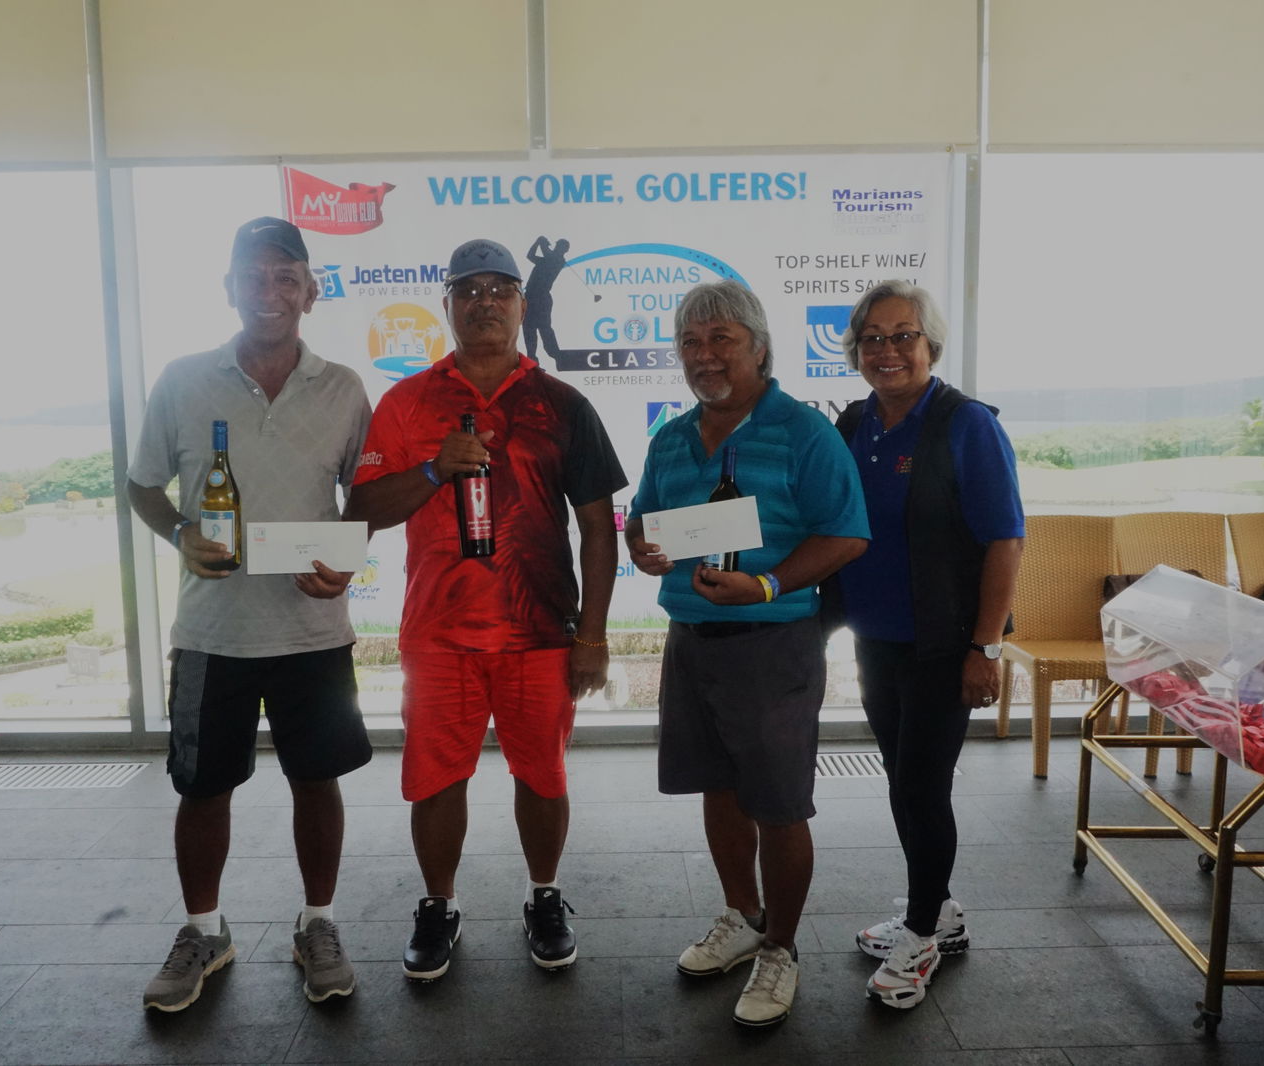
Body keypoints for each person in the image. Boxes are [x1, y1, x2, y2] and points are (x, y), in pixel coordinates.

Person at [347, 238, 626, 982]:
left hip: (539, 633)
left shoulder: (562, 403)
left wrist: (591, 635)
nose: (484, 303)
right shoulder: (408, 402)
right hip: (438, 635)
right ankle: (439, 905)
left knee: (543, 776)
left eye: (500, 290)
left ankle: (544, 896)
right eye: (468, 291)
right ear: (447, 306)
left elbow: (600, 524)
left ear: (521, 305)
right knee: (436, 780)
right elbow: (365, 508)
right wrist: (436, 467)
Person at [127, 216, 374, 1011]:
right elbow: (142, 486)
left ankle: (319, 923)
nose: (269, 292)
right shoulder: (181, 379)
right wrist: (178, 533)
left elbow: (360, 498)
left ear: (309, 289)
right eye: (252, 277)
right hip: (211, 634)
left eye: (284, 277)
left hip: (313, 632)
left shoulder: (342, 388)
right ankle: (205, 930)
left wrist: (344, 555)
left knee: (318, 780)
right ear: (228, 288)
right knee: (202, 790)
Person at [625, 279, 868, 1027]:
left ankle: (781, 949)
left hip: (773, 642)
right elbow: (639, 526)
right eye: (692, 343)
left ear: (759, 348)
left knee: (779, 805)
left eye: (722, 339)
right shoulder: (670, 436)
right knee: (718, 789)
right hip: (692, 640)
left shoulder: (802, 431)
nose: (705, 356)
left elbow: (847, 533)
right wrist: (645, 551)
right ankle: (742, 915)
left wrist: (764, 585)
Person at [832, 280, 1024, 1010]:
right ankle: (940, 912)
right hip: (877, 637)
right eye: (872, 339)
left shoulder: (967, 424)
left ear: (930, 345)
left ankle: (920, 934)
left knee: (921, 786)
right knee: (902, 778)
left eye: (903, 335)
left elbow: (1006, 541)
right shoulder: (855, 423)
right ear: (856, 351)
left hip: (948, 644)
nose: (887, 351)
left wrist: (987, 648)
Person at [522, 236, 570, 366]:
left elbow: (548, 254)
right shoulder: (545, 260)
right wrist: (537, 242)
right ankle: (531, 357)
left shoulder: (558, 260)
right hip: (530, 297)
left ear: (563, 250)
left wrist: (541, 242)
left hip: (542, 298)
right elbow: (530, 255)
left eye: (559, 246)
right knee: (528, 328)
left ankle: (556, 355)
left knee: (544, 328)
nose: (556, 248)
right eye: (556, 245)